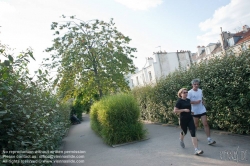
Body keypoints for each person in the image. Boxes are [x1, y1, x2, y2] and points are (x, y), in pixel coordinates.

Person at [174, 88, 203, 155]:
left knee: (193, 132)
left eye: (186, 92)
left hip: (190, 118)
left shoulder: (188, 100)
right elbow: (175, 110)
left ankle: (196, 149)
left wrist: (191, 112)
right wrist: (184, 110)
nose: (186, 93)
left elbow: (189, 108)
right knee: (184, 132)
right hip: (183, 119)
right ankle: (181, 139)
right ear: (181, 94)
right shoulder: (179, 101)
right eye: (184, 92)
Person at [187, 79, 216, 145]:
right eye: (195, 84)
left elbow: (201, 98)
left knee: (205, 123)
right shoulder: (189, 92)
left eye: (197, 84)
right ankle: (194, 137)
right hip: (194, 111)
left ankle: (209, 139)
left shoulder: (200, 91)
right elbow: (187, 102)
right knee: (196, 125)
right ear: (192, 85)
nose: (196, 85)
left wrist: (203, 101)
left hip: (202, 109)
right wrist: (195, 102)